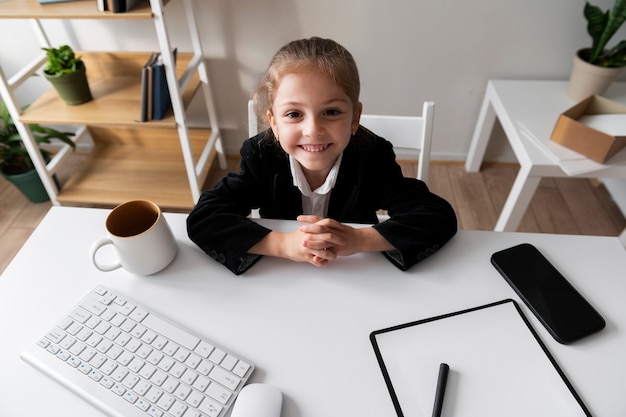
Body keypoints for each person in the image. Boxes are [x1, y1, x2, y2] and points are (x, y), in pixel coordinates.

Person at [187, 37, 457, 275]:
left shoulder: (372, 157)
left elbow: (437, 215)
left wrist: (360, 240)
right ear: (274, 123)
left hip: (356, 274)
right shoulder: (261, 157)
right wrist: (283, 244)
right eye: (294, 114)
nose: (313, 130)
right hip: (283, 276)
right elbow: (204, 219)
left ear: (355, 118)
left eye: (331, 112)